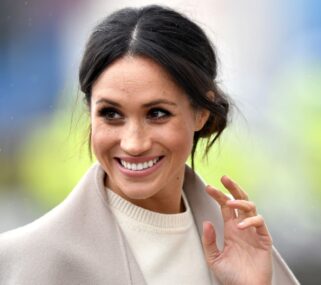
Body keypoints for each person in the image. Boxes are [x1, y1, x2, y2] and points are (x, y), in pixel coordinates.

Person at [0, 5, 299, 285]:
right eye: (111, 114)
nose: (133, 143)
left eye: (157, 114)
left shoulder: (244, 253)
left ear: (201, 112)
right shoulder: (27, 263)